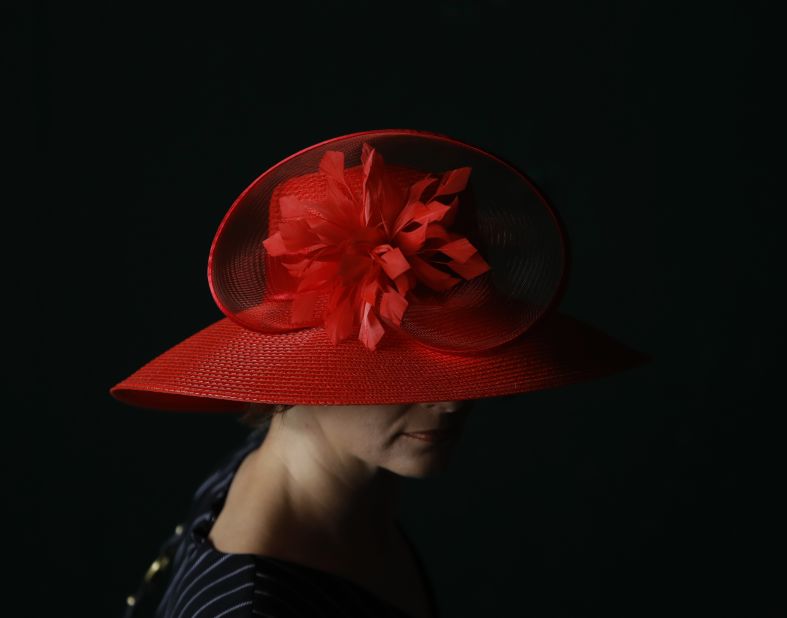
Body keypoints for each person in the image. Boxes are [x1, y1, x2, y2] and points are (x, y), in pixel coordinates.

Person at [111, 129, 651, 617]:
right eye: (398, 375)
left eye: (462, 369)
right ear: (296, 378)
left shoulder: (317, 489)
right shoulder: (256, 607)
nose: (452, 403)